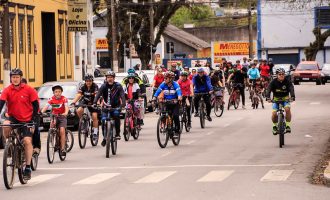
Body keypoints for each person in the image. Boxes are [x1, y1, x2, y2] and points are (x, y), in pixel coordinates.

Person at [0, 68, 39, 180]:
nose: (15, 79)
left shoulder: (29, 89)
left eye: (17, 77)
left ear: (21, 78)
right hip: (13, 117)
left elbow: (35, 106)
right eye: (13, 77)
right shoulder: (7, 90)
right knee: (6, 124)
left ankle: (27, 167)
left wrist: (33, 120)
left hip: (27, 119)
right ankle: (10, 145)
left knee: (27, 141)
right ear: (11, 78)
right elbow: (1, 103)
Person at [94, 71, 125, 143]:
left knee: (116, 115)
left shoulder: (118, 86)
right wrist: (94, 102)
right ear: (106, 78)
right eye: (108, 77)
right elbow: (98, 94)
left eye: (111, 77)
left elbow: (122, 95)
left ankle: (117, 133)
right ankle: (105, 138)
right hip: (106, 107)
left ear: (114, 78)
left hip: (115, 107)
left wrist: (123, 104)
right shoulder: (103, 86)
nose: (109, 79)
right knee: (103, 120)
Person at [41, 85, 68, 157]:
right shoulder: (51, 99)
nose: (57, 93)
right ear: (53, 93)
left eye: (59, 91)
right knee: (52, 126)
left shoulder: (64, 99)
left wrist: (65, 113)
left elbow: (66, 107)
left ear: (61, 92)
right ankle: (53, 140)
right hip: (54, 116)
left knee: (62, 131)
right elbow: (46, 106)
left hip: (62, 116)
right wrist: (41, 112)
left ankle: (62, 149)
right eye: (56, 92)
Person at [266, 68, 295, 135]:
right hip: (276, 100)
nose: (281, 75)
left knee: (287, 109)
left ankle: (288, 125)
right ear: (277, 75)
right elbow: (268, 89)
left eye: (283, 74)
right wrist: (268, 97)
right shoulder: (273, 82)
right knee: (274, 114)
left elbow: (291, 88)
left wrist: (292, 96)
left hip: (285, 99)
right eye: (279, 74)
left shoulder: (287, 81)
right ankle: (274, 126)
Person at [71, 73, 99, 139]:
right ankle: (83, 122)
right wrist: (73, 102)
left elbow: (96, 95)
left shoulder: (95, 86)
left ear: (92, 81)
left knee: (94, 116)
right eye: (87, 81)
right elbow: (79, 94)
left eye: (90, 81)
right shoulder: (83, 86)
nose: (88, 82)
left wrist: (96, 103)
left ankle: (95, 132)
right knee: (79, 110)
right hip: (85, 100)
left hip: (93, 101)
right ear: (85, 81)